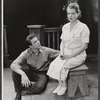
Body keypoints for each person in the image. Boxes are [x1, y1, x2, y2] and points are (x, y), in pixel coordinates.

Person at [47, 2, 90, 96]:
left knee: (63, 67)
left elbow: (84, 46)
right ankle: (60, 84)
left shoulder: (83, 27)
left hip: (78, 55)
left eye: (73, 13)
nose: (70, 16)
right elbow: (63, 42)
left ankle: (64, 85)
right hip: (65, 53)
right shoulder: (65, 27)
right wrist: (62, 53)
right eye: (68, 13)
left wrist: (70, 56)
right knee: (54, 64)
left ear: (78, 14)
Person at [10, 34, 59, 100]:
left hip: (43, 74)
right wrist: (23, 74)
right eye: (35, 42)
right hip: (32, 72)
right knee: (15, 72)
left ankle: (24, 91)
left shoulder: (46, 50)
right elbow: (13, 64)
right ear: (30, 46)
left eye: (37, 40)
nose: (38, 42)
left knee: (39, 87)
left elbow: (60, 53)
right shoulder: (26, 53)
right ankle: (18, 93)